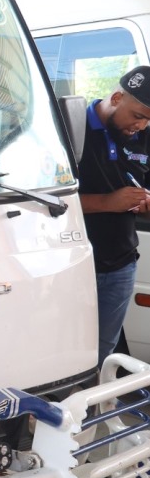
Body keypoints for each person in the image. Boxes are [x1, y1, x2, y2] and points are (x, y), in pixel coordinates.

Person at [78, 65, 150, 367]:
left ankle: (95, 408)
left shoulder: (144, 133)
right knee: (65, 356)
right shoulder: (70, 127)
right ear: (117, 97)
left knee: (102, 355)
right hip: (73, 265)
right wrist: (108, 201)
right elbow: (45, 199)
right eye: (138, 115)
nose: (142, 126)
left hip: (120, 264)